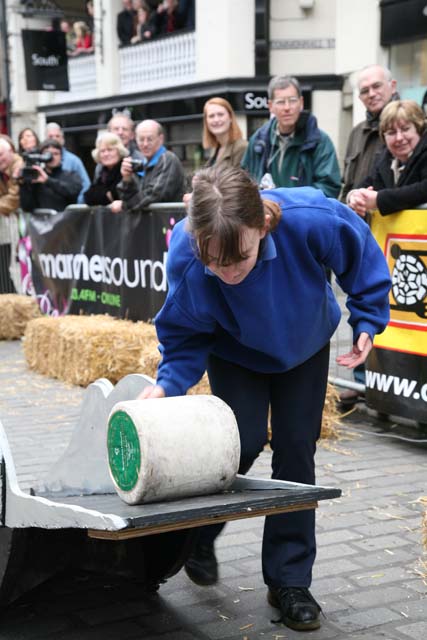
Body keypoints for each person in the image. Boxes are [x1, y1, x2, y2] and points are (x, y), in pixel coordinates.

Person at [138, 166, 391, 631]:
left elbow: (360, 253)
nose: (229, 272)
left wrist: (367, 319)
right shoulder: (186, 254)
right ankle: (198, 535)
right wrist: (166, 384)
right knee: (241, 442)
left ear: (262, 226)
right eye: (216, 263)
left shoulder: (310, 216)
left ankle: (289, 580)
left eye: (241, 257)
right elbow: (185, 332)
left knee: (297, 450)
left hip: (304, 343)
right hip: (234, 351)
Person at [242, 75, 341, 197]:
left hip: (305, 210)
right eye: (280, 102)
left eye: (292, 100)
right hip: (266, 209)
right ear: (270, 106)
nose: (287, 107)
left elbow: (329, 188)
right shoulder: (258, 141)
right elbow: (244, 182)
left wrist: (290, 201)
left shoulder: (319, 141)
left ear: (301, 103)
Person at [347, 100, 427, 217]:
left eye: (405, 129)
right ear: (383, 136)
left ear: (419, 129)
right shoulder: (385, 159)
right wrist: (354, 197)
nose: (399, 138)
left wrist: (379, 199)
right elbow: (366, 184)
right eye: (391, 132)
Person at [341, 64, 398, 203]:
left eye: (377, 86)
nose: (371, 94)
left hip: (391, 213)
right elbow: (346, 185)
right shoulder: (356, 133)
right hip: (356, 214)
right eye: (365, 91)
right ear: (360, 97)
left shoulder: (411, 126)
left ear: (392, 86)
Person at [114, 119, 185, 213]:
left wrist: (124, 206)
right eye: (141, 139)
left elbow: (154, 195)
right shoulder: (140, 163)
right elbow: (127, 196)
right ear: (135, 139)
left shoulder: (168, 159)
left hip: (169, 219)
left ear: (161, 139)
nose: (145, 144)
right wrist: (127, 178)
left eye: (150, 139)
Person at [19, 138, 82, 213]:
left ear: (61, 156)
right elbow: (27, 206)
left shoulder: (71, 175)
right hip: (43, 219)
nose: (52, 157)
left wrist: (48, 180)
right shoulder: (36, 178)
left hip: (66, 219)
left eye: (56, 154)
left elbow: (72, 192)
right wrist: (23, 183)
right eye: (48, 154)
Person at [45, 122, 90, 204]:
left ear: (63, 139)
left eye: (57, 136)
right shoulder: (40, 159)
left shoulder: (74, 160)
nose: (54, 139)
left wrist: (78, 204)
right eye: (50, 136)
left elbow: (86, 185)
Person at [0, 136, 23, 293]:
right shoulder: (3, 170)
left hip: (23, 227)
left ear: (11, 151)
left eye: (1, 154)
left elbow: (14, 200)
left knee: (18, 269)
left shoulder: (19, 167)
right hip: (7, 231)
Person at [84, 132, 129, 206]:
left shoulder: (126, 167)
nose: (106, 154)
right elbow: (87, 197)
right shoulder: (103, 172)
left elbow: (118, 194)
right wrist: (107, 195)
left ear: (119, 151)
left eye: (110, 150)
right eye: (102, 151)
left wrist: (103, 194)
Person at [202, 97, 247, 169]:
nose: (216, 120)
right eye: (211, 116)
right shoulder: (216, 149)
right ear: (206, 122)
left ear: (230, 117)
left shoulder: (242, 148)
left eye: (220, 114)